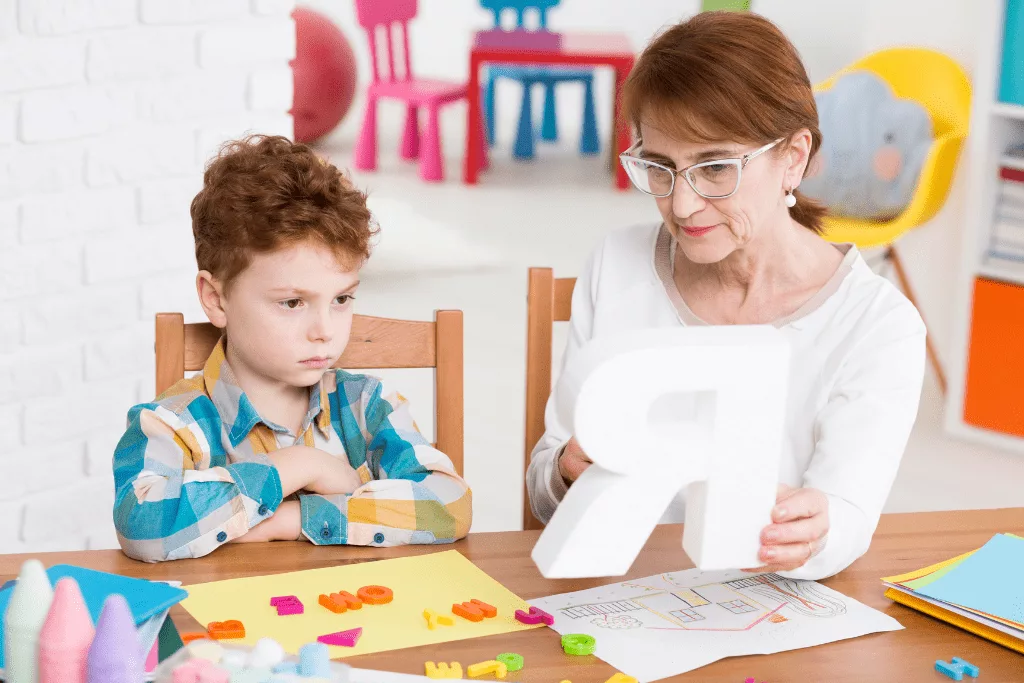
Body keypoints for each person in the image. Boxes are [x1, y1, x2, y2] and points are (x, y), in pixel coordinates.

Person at [526, 11, 926, 580]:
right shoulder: (617, 265)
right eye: (660, 168)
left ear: (792, 157)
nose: (682, 205)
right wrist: (566, 468)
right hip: (618, 599)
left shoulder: (878, 325)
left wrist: (816, 530)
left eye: (715, 168)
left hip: (766, 611)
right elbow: (546, 492)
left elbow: (847, 519)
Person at [112, 135, 472, 562]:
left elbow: (450, 505)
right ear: (216, 298)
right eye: (292, 302)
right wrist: (304, 465)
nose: (324, 331)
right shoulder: (176, 423)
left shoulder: (366, 405)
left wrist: (291, 519)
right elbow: (143, 527)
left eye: (341, 299)